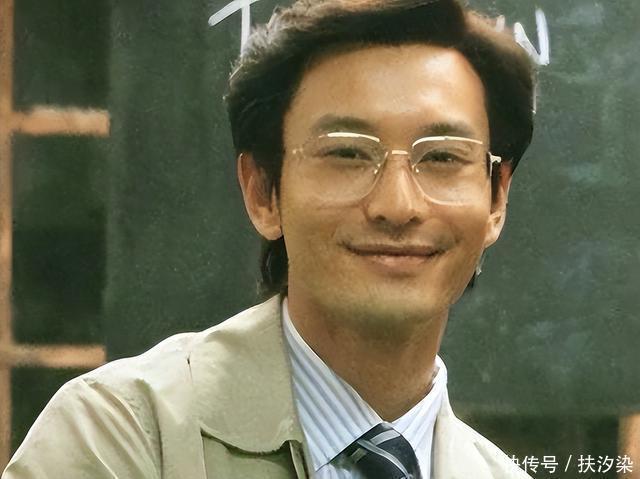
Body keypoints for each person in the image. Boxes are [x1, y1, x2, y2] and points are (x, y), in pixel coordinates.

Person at [3, 0, 535, 477]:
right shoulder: (121, 438)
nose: (398, 206)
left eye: (442, 157)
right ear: (263, 191)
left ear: (496, 198)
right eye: (347, 153)